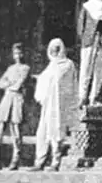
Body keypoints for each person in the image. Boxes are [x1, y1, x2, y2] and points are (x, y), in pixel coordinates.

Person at [33, 39, 79, 171]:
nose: (54, 52)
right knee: (42, 131)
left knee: (56, 132)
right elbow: (46, 78)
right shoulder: (51, 65)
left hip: (59, 104)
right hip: (48, 104)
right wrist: (41, 79)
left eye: (57, 49)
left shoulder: (68, 64)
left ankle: (55, 161)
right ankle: (39, 161)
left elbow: (62, 81)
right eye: (52, 49)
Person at [0, 43, 30, 170]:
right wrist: (8, 83)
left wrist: (9, 83)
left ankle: (15, 160)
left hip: (17, 98)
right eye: (16, 53)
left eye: (20, 53)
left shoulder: (25, 68)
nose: (18, 56)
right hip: (7, 98)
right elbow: (0, 83)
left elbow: (18, 85)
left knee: (15, 128)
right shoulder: (10, 68)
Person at [77, 0, 102, 110]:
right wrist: (87, 38)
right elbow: (81, 27)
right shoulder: (87, 7)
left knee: (100, 69)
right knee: (86, 69)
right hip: (89, 42)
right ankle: (82, 97)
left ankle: (93, 97)